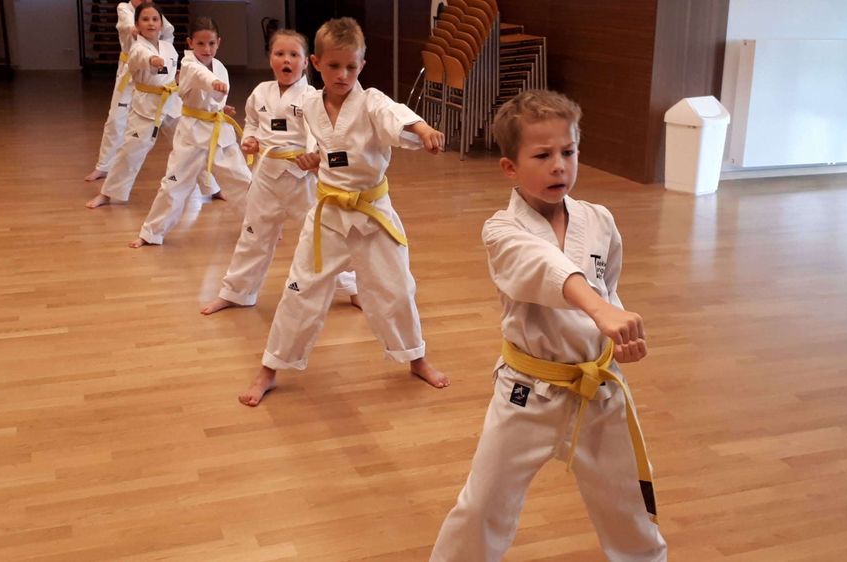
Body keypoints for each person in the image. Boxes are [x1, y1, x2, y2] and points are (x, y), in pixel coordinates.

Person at [429, 90, 667, 561]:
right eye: (543, 155)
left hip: (598, 391)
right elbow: (545, 269)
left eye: (568, 152)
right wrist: (600, 309)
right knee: (483, 508)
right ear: (510, 168)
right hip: (526, 393)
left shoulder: (599, 220)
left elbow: (607, 285)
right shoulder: (501, 231)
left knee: (631, 509)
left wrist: (618, 334)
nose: (559, 165)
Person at [237, 17, 448, 407]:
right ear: (316, 63)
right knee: (300, 290)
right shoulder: (310, 103)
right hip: (328, 214)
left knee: (397, 289)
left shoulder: (371, 102)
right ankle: (271, 368)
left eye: (351, 66)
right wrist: (314, 159)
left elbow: (395, 114)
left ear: (362, 66)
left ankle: (416, 358)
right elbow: (322, 145)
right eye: (334, 66)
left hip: (372, 213)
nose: (343, 74)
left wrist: (421, 130)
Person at [200, 29, 359, 311]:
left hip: (302, 178)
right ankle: (237, 292)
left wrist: (313, 155)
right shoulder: (261, 92)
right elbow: (251, 123)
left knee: (322, 235)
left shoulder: (312, 96)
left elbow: (319, 130)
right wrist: (248, 140)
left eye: (294, 55)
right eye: (280, 54)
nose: (287, 60)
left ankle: (352, 287)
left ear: (307, 63)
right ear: (270, 58)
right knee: (253, 234)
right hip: (266, 176)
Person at [129, 17, 252, 247]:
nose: (207, 49)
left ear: (219, 43)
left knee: (243, 180)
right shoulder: (188, 64)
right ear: (190, 43)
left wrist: (220, 106)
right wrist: (214, 84)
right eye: (201, 44)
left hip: (218, 130)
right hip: (192, 133)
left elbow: (210, 98)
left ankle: (259, 227)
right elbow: (199, 77)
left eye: (212, 44)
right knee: (173, 184)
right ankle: (151, 233)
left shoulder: (221, 67)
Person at [83, 0, 173, 182]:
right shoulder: (124, 8)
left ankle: (203, 176)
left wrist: (162, 56)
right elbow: (127, 25)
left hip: (153, 73)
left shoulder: (155, 13)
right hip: (129, 71)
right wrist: (135, 29)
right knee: (116, 118)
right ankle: (103, 166)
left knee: (172, 120)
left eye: (154, 20)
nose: (151, 22)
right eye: (145, 19)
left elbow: (168, 32)